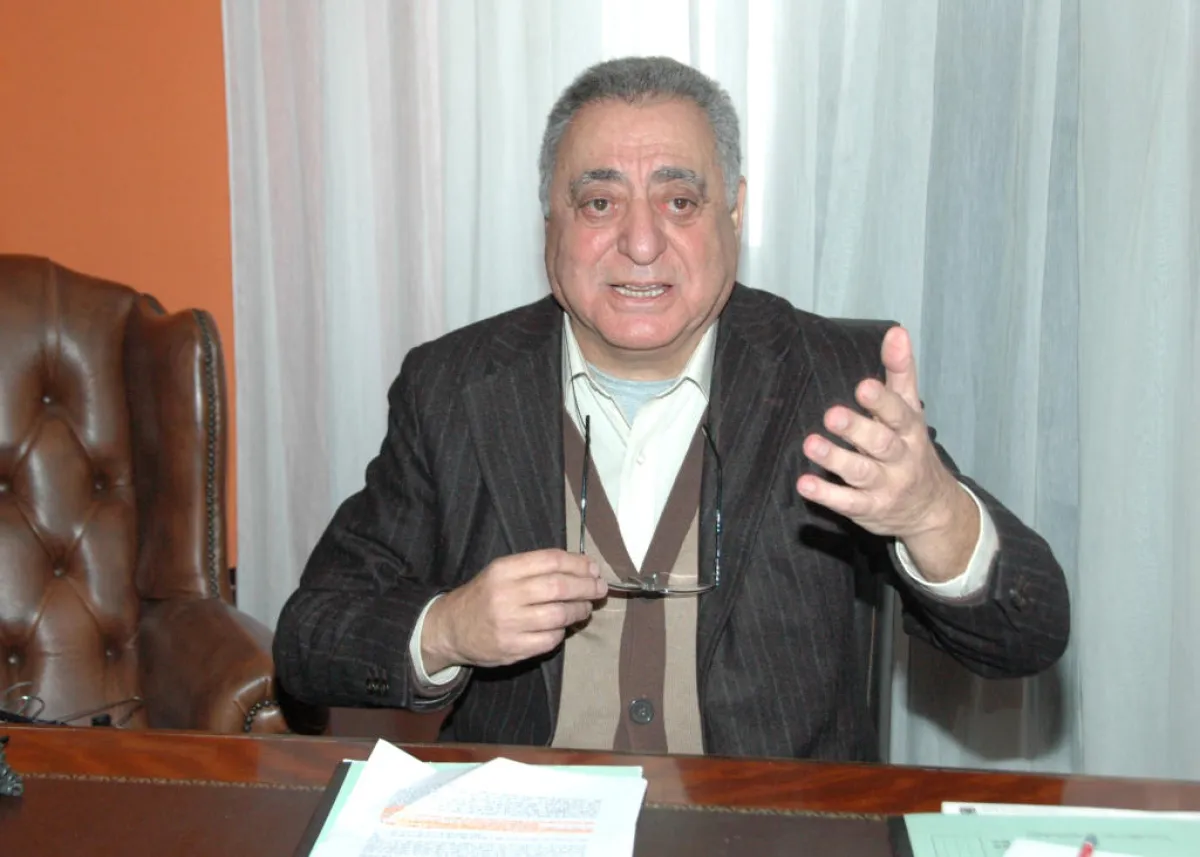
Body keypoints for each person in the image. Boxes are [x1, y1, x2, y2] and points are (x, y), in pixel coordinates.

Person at [273, 56, 1069, 761]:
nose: (642, 242)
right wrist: (448, 628)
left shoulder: (833, 381)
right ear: (549, 221)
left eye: (680, 201)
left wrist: (931, 513)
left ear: (735, 212)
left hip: (774, 831)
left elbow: (1027, 635)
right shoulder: (451, 386)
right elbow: (309, 641)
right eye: (599, 204)